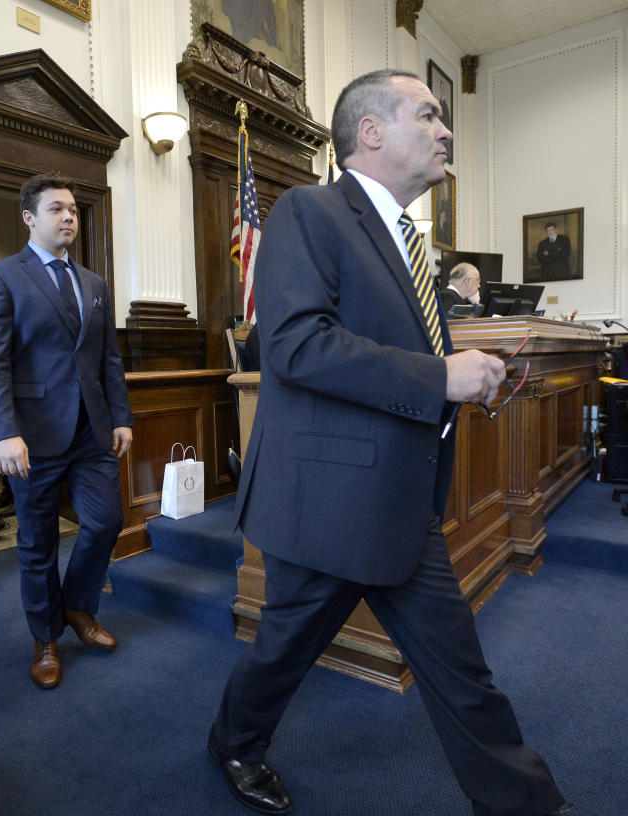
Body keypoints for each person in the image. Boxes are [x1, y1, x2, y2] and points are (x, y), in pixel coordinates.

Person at [207, 70, 567, 816]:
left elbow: (401, 356)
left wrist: (476, 380)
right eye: (429, 115)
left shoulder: (412, 244)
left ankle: (527, 805)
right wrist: (440, 377)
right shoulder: (308, 212)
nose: (445, 132)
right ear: (370, 131)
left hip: (402, 503)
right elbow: (297, 347)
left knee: (461, 671)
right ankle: (236, 743)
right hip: (326, 506)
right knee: (282, 654)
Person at [0, 172, 133, 690]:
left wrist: (122, 416)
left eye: (74, 210)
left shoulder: (94, 284)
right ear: (29, 218)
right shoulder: (0, 277)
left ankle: (78, 607)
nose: (69, 217)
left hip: (93, 431)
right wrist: (3, 433)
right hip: (31, 436)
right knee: (38, 542)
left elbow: (108, 358)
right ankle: (46, 639)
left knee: (106, 522)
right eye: (57, 209)